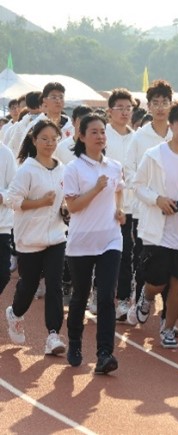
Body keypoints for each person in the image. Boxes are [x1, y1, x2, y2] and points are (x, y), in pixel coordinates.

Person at [128, 101, 178, 348]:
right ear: (171, 125)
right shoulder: (155, 155)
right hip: (158, 230)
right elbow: (137, 185)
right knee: (157, 281)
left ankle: (168, 328)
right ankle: (146, 295)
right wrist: (157, 199)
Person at [63, 113, 125, 374]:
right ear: (81, 136)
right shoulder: (73, 169)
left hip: (110, 238)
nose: (100, 137)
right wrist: (96, 189)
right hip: (81, 242)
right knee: (80, 295)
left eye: (102, 132)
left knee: (107, 296)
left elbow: (119, 190)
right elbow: (73, 206)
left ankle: (104, 354)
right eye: (94, 132)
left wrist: (120, 210)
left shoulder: (114, 166)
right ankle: (75, 343)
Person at [5, 120, 67, 355]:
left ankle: (53, 335)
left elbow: (64, 199)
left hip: (56, 237)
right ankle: (15, 313)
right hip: (30, 238)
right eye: (44, 139)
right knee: (29, 285)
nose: (50, 143)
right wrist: (41, 202)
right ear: (34, 140)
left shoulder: (62, 169)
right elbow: (13, 201)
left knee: (54, 284)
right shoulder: (27, 170)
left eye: (54, 139)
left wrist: (65, 209)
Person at [125, 80, 173, 306]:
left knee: (171, 261)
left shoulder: (177, 134)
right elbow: (129, 172)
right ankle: (140, 300)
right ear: (149, 106)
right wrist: (151, 197)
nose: (160, 107)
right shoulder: (139, 137)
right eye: (156, 102)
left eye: (164, 102)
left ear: (171, 104)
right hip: (144, 210)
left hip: (174, 209)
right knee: (144, 258)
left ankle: (167, 317)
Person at [105, 88, 137, 322]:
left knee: (127, 252)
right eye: (120, 108)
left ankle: (124, 299)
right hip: (105, 204)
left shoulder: (137, 137)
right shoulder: (101, 134)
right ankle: (99, 290)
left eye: (129, 108)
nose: (125, 112)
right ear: (110, 111)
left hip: (132, 205)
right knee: (105, 252)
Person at [0, 140, 16, 300]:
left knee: (3, 274)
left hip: (2, 226)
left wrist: (2, 197)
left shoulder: (5, 153)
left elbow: (15, 189)